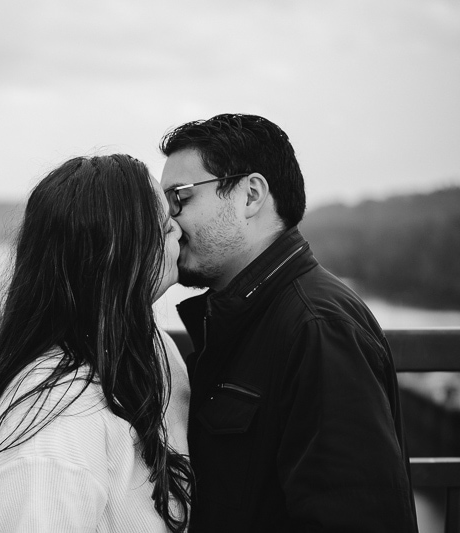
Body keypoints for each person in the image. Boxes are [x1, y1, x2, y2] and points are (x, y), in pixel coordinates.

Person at [159, 114, 419, 532]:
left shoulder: (318, 329)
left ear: (251, 194)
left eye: (180, 198)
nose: (168, 220)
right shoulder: (248, 315)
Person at [0, 154, 193, 532]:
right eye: (164, 228)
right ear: (119, 255)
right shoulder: (53, 431)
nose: (179, 231)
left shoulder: (151, 346)